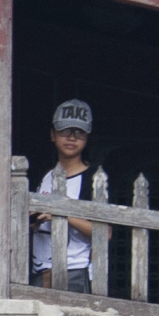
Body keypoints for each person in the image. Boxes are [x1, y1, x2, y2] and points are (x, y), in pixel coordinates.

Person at [32, 99, 103, 292]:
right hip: (39, 270)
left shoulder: (93, 179)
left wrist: (61, 214)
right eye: (65, 131)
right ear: (53, 135)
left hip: (74, 270)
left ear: (87, 138)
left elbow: (105, 233)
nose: (71, 137)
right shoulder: (45, 176)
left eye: (79, 133)